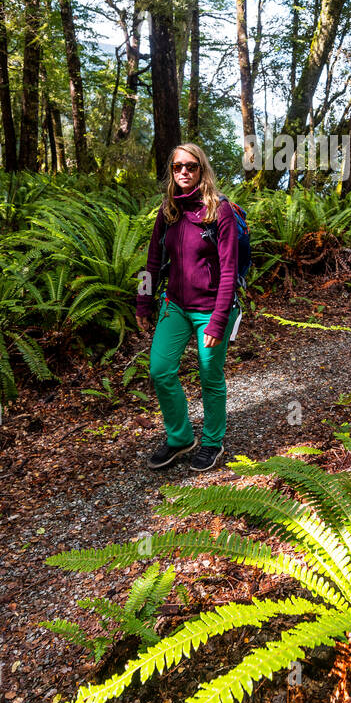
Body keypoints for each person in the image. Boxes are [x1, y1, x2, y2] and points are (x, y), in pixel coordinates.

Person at [136, 142, 240, 473]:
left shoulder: (219, 211)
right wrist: (143, 301)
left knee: (210, 374)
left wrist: (219, 320)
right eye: (177, 166)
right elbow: (152, 261)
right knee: (160, 369)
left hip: (212, 307)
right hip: (175, 305)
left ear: (202, 170)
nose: (183, 171)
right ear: (171, 172)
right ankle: (180, 438)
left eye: (191, 166)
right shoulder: (168, 211)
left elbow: (229, 270)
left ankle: (212, 441)